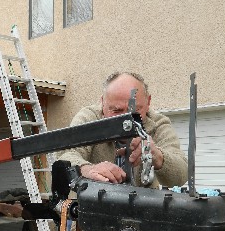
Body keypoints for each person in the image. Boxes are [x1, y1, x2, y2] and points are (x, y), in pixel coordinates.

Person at [59, 71, 188, 188]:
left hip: (143, 210)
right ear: (103, 103)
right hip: (93, 207)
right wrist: (86, 169)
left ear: (148, 102)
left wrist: (157, 156)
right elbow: (64, 155)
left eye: (135, 111)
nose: (126, 120)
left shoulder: (158, 124)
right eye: (117, 110)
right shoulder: (89, 118)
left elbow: (181, 174)